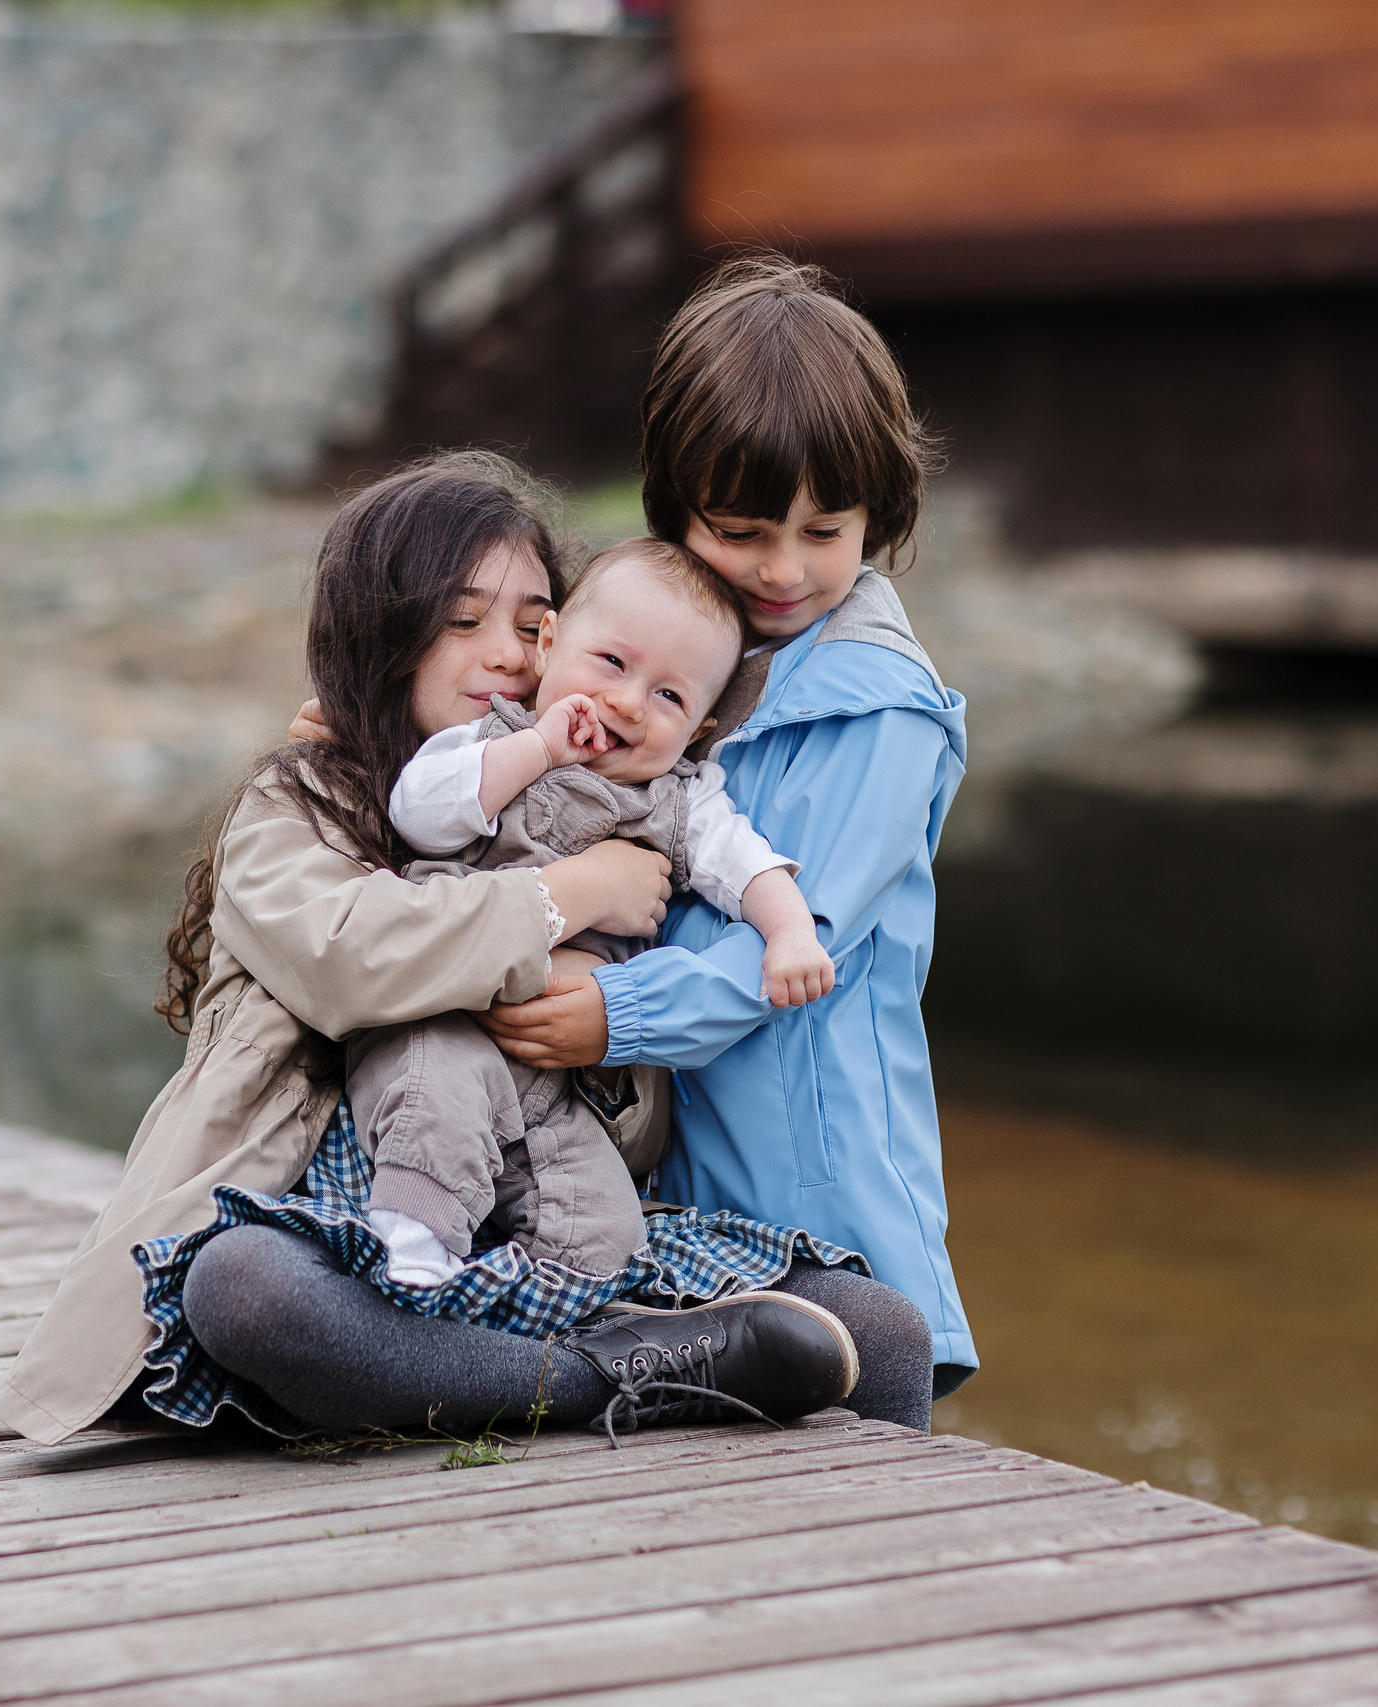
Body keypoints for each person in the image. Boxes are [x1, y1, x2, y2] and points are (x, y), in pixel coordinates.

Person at [0, 452, 932, 1448]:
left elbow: (636, 1132)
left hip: (531, 1239)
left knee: (879, 1330)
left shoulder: (608, 806)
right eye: (461, 621)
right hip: (335, 1232)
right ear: (381, 634)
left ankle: (605, 1373)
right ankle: (601, 1380)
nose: (508, 655)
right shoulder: (301, 801)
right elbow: (350, 957)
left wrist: (595, 1016)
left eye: (533, 625)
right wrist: (565, 897)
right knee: (245, 1289)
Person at [477, 255, 980, 1401]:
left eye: (823, 531)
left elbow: (795, 950)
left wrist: (613, 1012)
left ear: (879, 513)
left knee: (862, 1498)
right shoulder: (686, 666)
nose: (781, 568)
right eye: (741, 528)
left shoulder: (878, 709)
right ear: (676, 504)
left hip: (826, 1206)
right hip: (678, 1206)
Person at [352, 537, 832, 1288]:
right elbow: (420, 814)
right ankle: (407, 1262)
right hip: (445, 1023)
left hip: (559, 1081)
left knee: (605, 1227)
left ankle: (527, 1338)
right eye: (611, 663)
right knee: (431, 1106)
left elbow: (747, 864)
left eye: (670, 696)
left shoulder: (679, 797)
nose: (628, 703)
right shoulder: (493, 737)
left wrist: (791, 932)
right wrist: (540, 748)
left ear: (701, 728)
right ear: (550, 645)